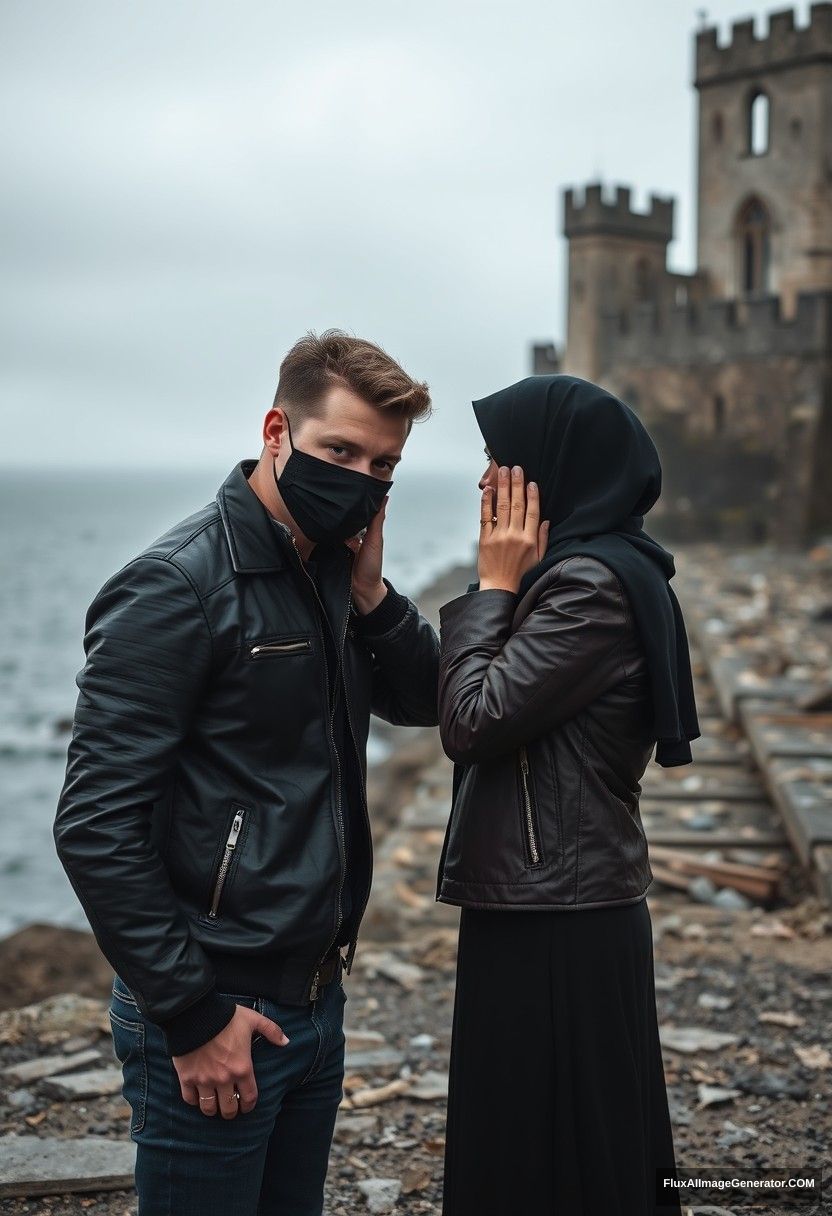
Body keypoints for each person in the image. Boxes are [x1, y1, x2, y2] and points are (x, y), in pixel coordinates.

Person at [53, 329, 440, 1216]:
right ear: (277, 430)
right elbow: (93, 826)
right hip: (217, 1010)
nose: (361, 479)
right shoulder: (176, 586)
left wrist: (374, 597)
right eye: (339, 450)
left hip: (315, 998)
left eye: (384, 467)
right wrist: (191, 1018)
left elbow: (426, 699)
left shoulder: (334, 573)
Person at [435, 374, 700, 1216]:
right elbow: (462, 690)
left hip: (557, 912)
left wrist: (494, 586)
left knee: (554, 1154)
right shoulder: (591, 571)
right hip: (554, 897)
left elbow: (471, 720)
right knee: (553, 1144)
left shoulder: (587, 586)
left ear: (554, 471)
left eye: (498, 461)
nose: (485, 482)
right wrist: (371, 599)